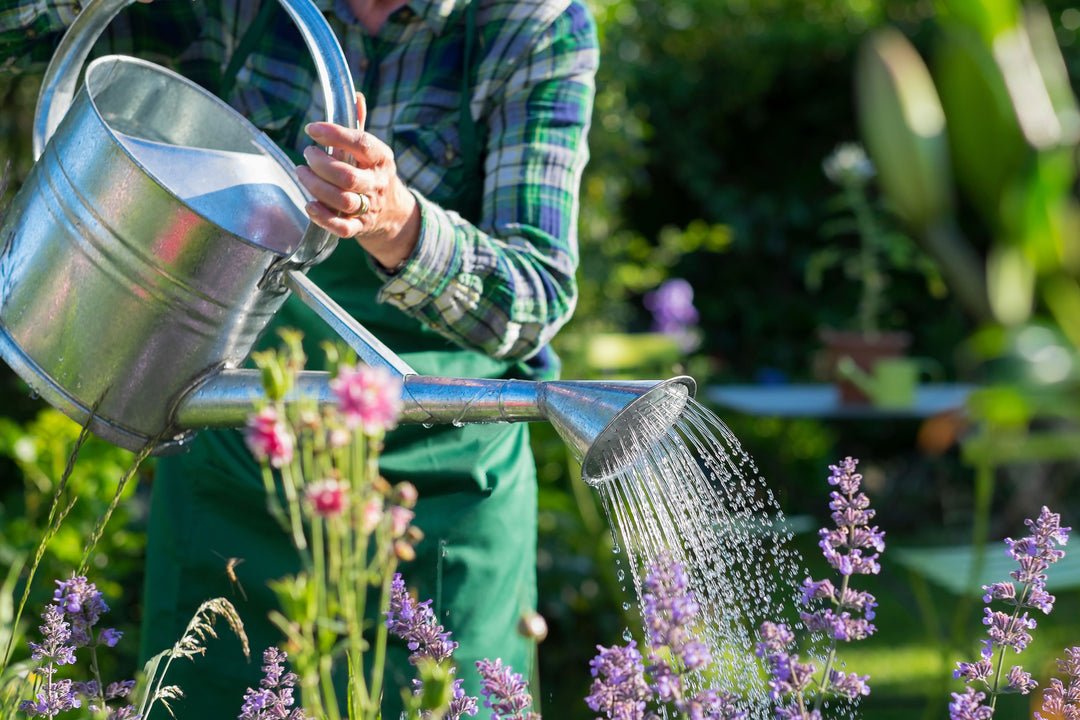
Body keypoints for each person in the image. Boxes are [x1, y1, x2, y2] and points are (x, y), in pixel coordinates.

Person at [0, 0, 599, 716]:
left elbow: (532, 297)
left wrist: (396, 222)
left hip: (440, 500)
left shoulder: (533, 23)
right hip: (235, 470)